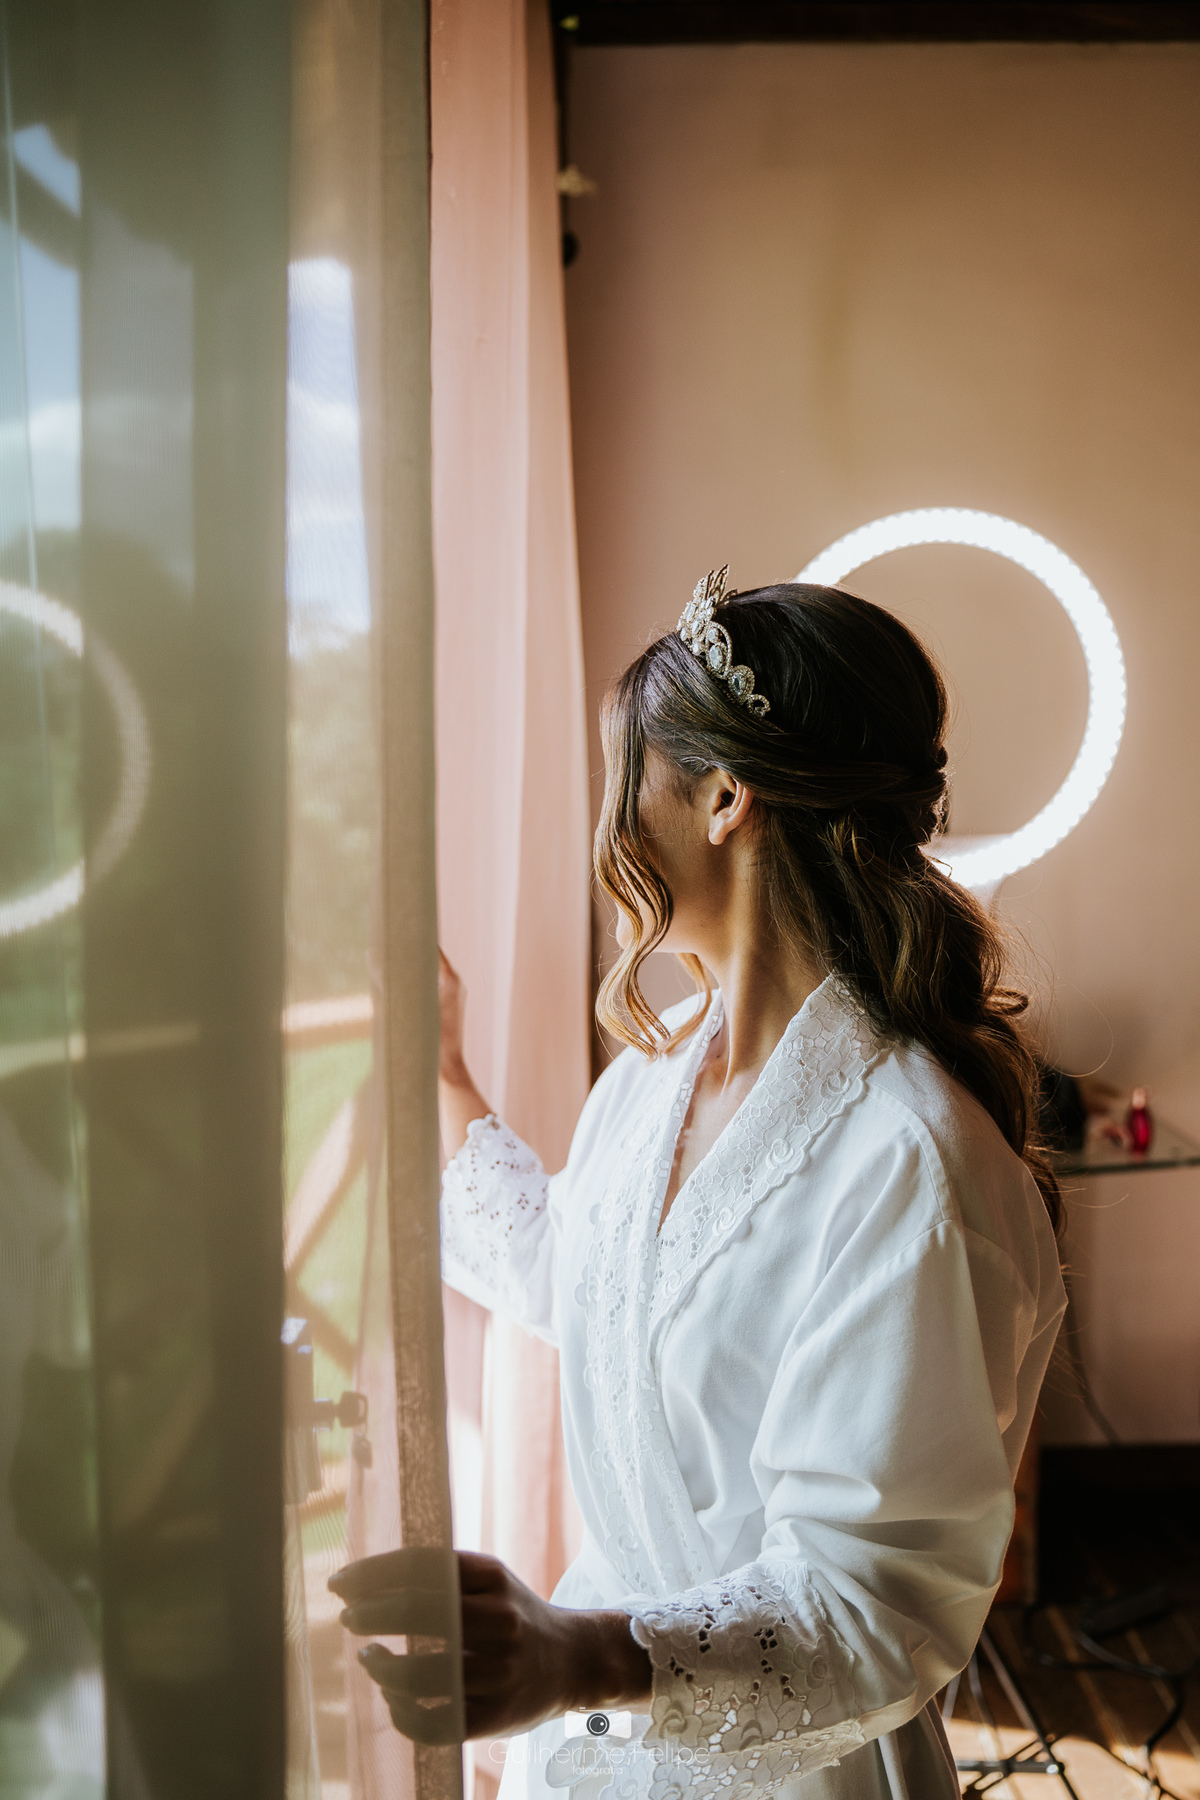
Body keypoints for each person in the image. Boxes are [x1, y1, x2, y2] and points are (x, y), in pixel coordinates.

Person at [332, 572, 1067, 1800]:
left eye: (625, 777)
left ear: (726, 797)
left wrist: (574, 1653)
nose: (605, 829)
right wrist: (441, 1068)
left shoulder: (913, 1164)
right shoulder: (655, 1077)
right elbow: (572, 1278)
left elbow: (875, 1603)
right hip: (599, 1753)